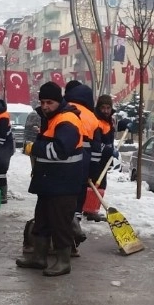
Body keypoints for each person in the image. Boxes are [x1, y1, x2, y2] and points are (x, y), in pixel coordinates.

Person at [15, 82, 83, 277]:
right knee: (42, 221)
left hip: (63, 183)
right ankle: (39, 257)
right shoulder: (53, 118)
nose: (45, 106)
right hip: (50, 182)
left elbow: (61, 151)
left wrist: (33, 148)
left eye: (49, 102)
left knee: (60, 224)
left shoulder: (67, 121)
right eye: (42, 102)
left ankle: (63, 262)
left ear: (59, 101)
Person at [63, 81, 98, 253]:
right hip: (85, 160)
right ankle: (73, 242)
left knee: (62, 199)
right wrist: (93, 172)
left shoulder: (65, 109)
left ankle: (65, 241)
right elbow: (97, 149)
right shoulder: (92, 117)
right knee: (78, 199)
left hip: (66, 156)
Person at [84, 94, 117, 222]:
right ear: (99, 107)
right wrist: (108, 149)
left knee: (101, 184)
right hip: (96, 159)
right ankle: (90, 210)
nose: (106, 111)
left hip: (105, 159)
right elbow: (96, 143)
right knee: (95, 184)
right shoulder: (96, 121)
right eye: (103, 107)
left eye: (108, 108)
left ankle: (92, 209)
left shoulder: (109, 121)